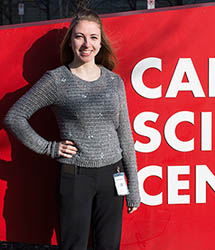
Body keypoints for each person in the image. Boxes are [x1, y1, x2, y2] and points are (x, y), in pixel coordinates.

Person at [3, 9, 140, 250]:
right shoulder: (57, 80)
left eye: (93, 37)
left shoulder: (113, 81)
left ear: (101, 41)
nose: (87, 44)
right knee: (73, 246)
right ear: (71, 42)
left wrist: (133, 188)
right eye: (79, 37)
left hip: (113, 176)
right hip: (75, 177)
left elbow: (125, 135)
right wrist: (50, 148)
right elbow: (15, 117)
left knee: (110, 246)